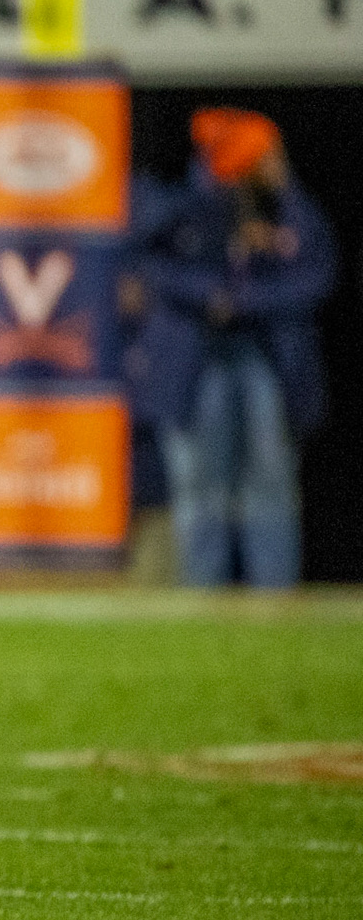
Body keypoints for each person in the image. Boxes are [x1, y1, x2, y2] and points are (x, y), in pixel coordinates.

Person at [137, 109, 333, 589]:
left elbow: (316, 274)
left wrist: (244, 300)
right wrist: (212, 295)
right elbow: (149, 260)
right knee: (201, 484)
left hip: (266, 358)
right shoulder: (191, 205)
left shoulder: (286, 208)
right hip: (199, 360)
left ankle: (273, 599)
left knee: (269, 481)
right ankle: (206, 597)